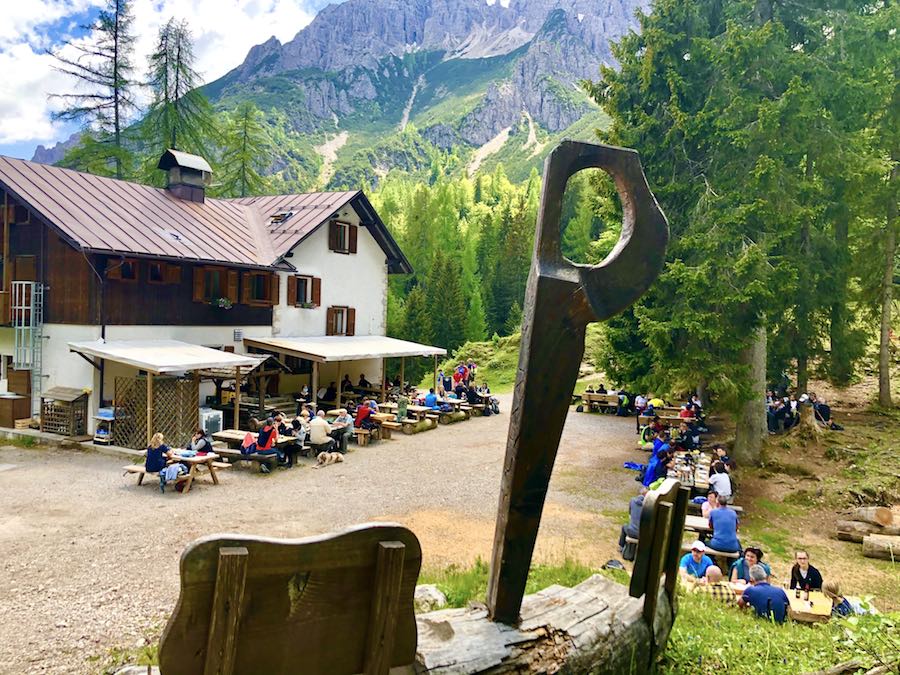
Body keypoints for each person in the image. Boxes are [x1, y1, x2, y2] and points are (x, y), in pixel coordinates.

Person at [618, 487, 646, 552]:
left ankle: (621, 547)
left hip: (631, 531)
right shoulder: (648, 506)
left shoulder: (632, 501)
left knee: (624, 526)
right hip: (642, 534)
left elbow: (630, 514)